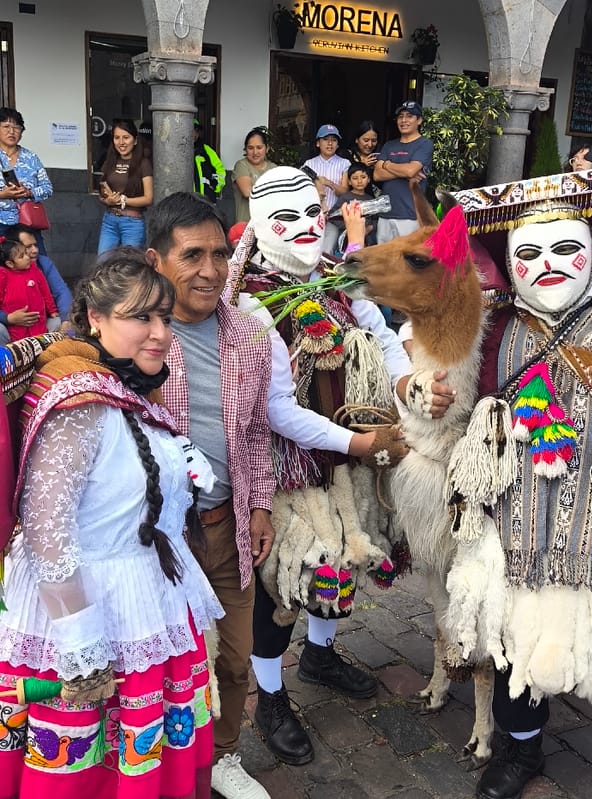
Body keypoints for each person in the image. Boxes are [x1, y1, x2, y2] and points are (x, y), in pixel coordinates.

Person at [0, 249, 224, 799]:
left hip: (145, 606)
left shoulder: (123, 390)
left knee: (143, 762)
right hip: (92, 618)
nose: (160, 333)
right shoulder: (79, 400)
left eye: (164, 317)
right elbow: (47, 530)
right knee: (86, 775)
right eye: (141, 317)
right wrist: (82, 648)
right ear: (95, 319)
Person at [230, 166, 420, 770]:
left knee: (341, 563)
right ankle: (269, 694)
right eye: (288, 219)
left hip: (347, 459)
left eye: (314, 214)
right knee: (285, 582)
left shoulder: (340, 278)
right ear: (263, 226)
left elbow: (383, 338)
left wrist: (407, 386)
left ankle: (320, 654)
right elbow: (277, 409)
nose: (307, 228)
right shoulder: (252, 303)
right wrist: (359, 444)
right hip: (288, 468)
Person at [437, 199, 592, 799]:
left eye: (566, 248)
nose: (550, 264)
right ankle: (521, 746)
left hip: (588, 520)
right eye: (531, 253)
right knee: (509, 633)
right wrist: (424, 392)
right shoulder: (493, 326)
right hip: (510, 519)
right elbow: (447, 400)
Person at [146, 194, 276, 799]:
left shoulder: (249, 335)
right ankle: (160, 762)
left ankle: (222, 755)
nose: (210, 270)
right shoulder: (137, 338)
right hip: (156, 537)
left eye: (220, 254)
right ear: (156, 261)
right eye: (192, 255)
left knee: (235, 655)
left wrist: (260, 505)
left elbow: (254, 430)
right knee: (163, 658)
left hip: (226, 525)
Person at [0, 222, 72, 345]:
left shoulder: (42, 263)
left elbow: (62, 292)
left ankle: (62, 352)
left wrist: (66, 319)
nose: (35, 250)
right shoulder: (2, 273)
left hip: (40, 325)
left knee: (64, 324)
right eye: (28, 247)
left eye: (35, 245)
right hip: (10, 329)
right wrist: (8, 318)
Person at [373, 101, 433, 243]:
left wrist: (386, 164)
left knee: (406, 256)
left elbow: (410, 171)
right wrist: (404, 172)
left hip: (410, 215)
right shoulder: (389, 145)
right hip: (385, 213)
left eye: (409, 116)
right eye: (401, 116)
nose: (404, 120)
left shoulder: (424, 144)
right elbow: (377, 175)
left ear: (419, 120)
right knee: (383, 255)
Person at [0, 106, 53, 255]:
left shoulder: (31, 158)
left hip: (26, 222)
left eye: (16, 127)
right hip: (1, 222)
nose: (11, 131)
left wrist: (29, 192)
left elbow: (48, 188)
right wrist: (3, 195)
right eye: (6, 126)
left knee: (40, 260)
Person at [97, 119, 153, 254]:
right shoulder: (110, 162)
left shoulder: (143, 163)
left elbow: (148, 198)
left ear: (135, 140)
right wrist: (107, 201)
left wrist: (123, 200)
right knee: (102, 261)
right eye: (117, 138)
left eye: (126, 137)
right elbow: (102, 193)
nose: (121, 142)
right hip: (109, 221)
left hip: (132, 223)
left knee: (130, 263)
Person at [302, 124, 351, 254]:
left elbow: (344, 192)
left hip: (334, 218)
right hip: (313, 217)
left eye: (334, 140)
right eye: (325, 139)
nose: (330, 143)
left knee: (327, 251)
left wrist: (329, 183)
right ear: (318, 143)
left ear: (338, 144)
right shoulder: (309, 164)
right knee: (310, 251)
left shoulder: (344, 163)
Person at [329, 162, 379, 248]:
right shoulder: (345, 198)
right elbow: (332, 216)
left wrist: (370, 227)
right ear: (349, 181)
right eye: (355, 178)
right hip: (348, 239)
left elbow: (376, 219)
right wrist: (348, 226)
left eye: (363, 177)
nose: (359, 181)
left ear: (368, 179)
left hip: (368, 240)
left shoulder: (371, 199)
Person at [232, 127, 277, 223]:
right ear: (245, 150)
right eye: (250, 148)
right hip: (246, 225)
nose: (255, 152)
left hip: (269, 224)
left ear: (267, 149)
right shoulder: (241, 165)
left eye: (259, 147)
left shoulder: (273, 168)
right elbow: (247, 192)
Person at [344, 120, 381, 198]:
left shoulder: (380, 157)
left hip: (375, 202)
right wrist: (362, 165)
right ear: (357, 139)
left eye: (374, 141)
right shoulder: (347, 156)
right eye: (366, 140)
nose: (370, 145)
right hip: (352, 201)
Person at [193, 119, 226, 203]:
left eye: (196, 130)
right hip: (184, 202)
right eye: (191, 130)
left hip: (206, 201)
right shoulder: (176, 152)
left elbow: (220, 171)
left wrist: (214, 185)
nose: (194, 133)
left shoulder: (207, 150)